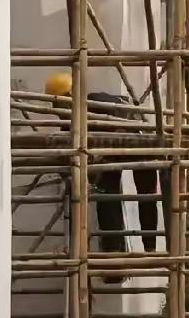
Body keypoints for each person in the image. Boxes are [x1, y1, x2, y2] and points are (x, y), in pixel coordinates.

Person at [44, 73, 161, 259]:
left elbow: (128, 120)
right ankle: (114, 252)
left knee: (146, 195)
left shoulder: (97, 103)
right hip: (111, 155)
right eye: (57, 105)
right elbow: (68, 156)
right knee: (107, 194)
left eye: (62, 103)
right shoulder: (69, 122)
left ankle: (150, 247)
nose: (60, 109)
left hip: (138, 142)